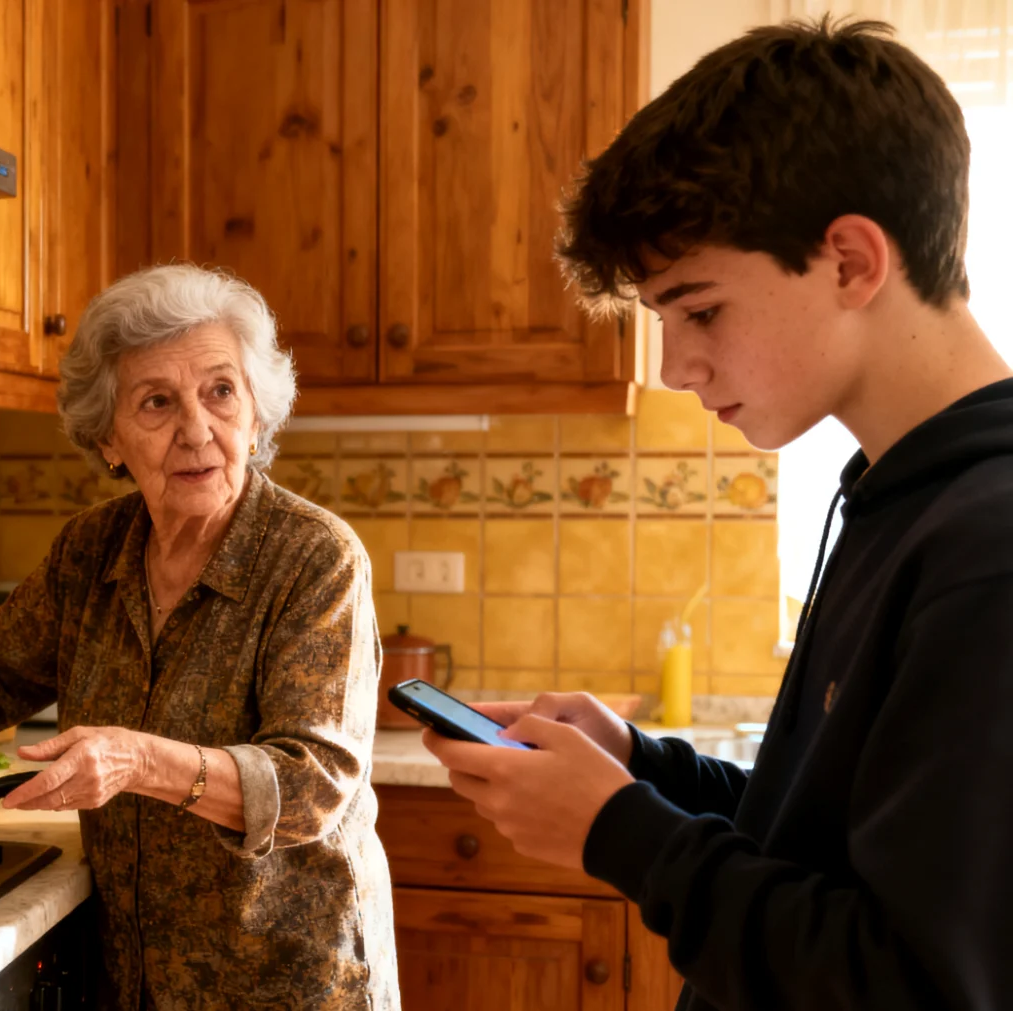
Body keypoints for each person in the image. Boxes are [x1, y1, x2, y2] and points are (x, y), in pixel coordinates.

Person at [422, 16, 1013, 1010]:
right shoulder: (898, 496)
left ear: (853, 263)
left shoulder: (989, 549)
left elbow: (913, 983)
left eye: (699, 310)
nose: (676, 368)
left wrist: (620, 832)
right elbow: (824, 845)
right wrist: (642, 767)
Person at [0, 264, 398, 1010]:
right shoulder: (92, 550)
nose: (196, 429)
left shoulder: (314, 559)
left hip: (284, 980)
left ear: (258, 412)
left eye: (220, 391)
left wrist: (136, 758)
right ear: (109, 438)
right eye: (156, 402)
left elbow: (309, 787)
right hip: (131, 977)